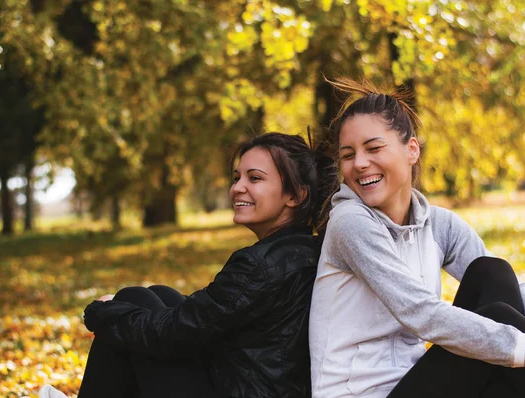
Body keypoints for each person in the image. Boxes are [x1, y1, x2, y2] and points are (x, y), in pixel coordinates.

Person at [308, 77, 525, 398]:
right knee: (501, 329)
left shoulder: (437, 223)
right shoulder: (349, 222)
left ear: (411, 149)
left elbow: (513, 287)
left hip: (417, 380)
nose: (359, 163)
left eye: (373, 148)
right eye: (348, 154)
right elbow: (423, 313)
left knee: (491, 272)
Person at [39, 132, 333, 398]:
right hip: (256, 383)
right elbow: (203, 318)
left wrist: (101, 313)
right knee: (158, 295)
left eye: (254, 178)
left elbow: (175, 334)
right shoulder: (303, 249)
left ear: (296, 195)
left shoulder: (259, 266)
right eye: (236, 177)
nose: (237, 188)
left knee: (130, 302)